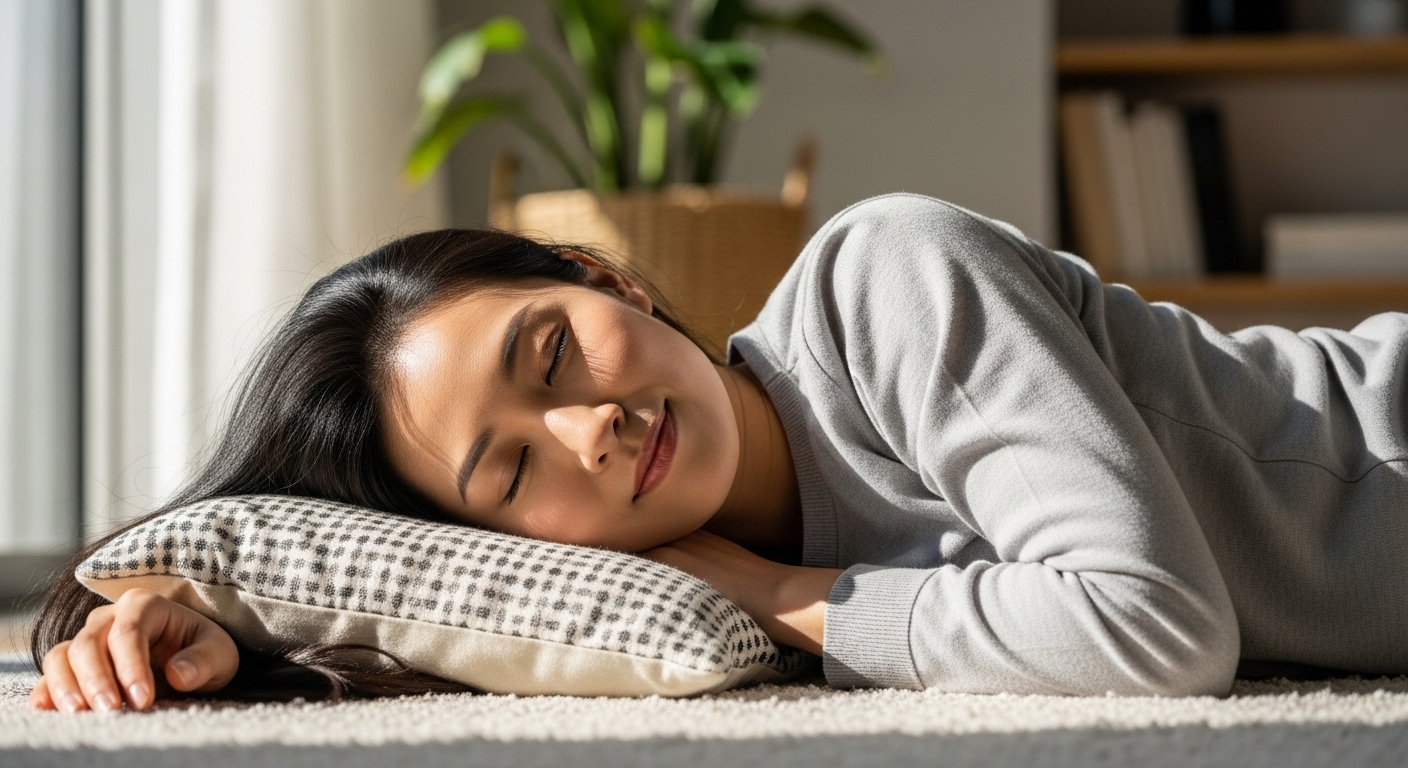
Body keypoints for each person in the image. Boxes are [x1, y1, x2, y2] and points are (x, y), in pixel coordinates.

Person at [29, 194, 1408, 713]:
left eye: (555, 352)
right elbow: (369, 584)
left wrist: (766, 593)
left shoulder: (885, 281)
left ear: (606, 280)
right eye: (513, 476)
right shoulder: (610, 596)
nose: (594, 428)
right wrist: (193, 616)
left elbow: (1158, 633)